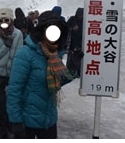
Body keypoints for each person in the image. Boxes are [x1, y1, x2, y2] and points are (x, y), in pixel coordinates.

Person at [7, 11, 82, 139]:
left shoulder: (54, 54)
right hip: (27, 121)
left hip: (49, 120)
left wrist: (73, 67)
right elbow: (14, 89)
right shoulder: (25, 54)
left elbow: (57, 83)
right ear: (41, 31)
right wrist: (16, 120)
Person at [0, 8, 24, 138]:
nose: (4, 22)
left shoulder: (18, 34)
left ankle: (10, 123)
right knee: (0, 102)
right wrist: (6, 46)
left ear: (11, 20)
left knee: (12, 101)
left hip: (12, 74)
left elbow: (18, 55)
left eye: (6, 20)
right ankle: (2, 127)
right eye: (1, 20)